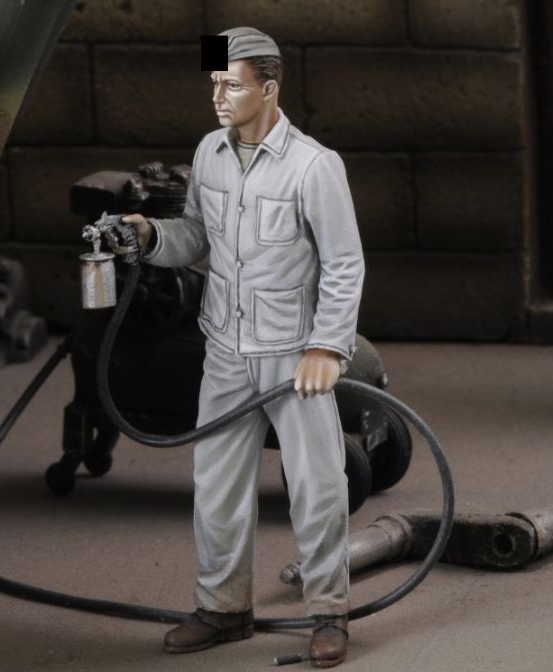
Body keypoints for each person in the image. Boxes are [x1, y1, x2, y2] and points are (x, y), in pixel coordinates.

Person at [116, 27, 364, 669]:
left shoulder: (315, 166)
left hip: (292, 354)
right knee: (217, 486)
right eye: (213, 84)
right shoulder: (210, 152)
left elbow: (344, 264)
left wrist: (327, 348)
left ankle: (328, 612)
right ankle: (223, 609)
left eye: (231, 84)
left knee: (316, 485)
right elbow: (198, 236)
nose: (218, 97)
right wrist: (151, 237)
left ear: (270, 88)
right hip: (224, 349)